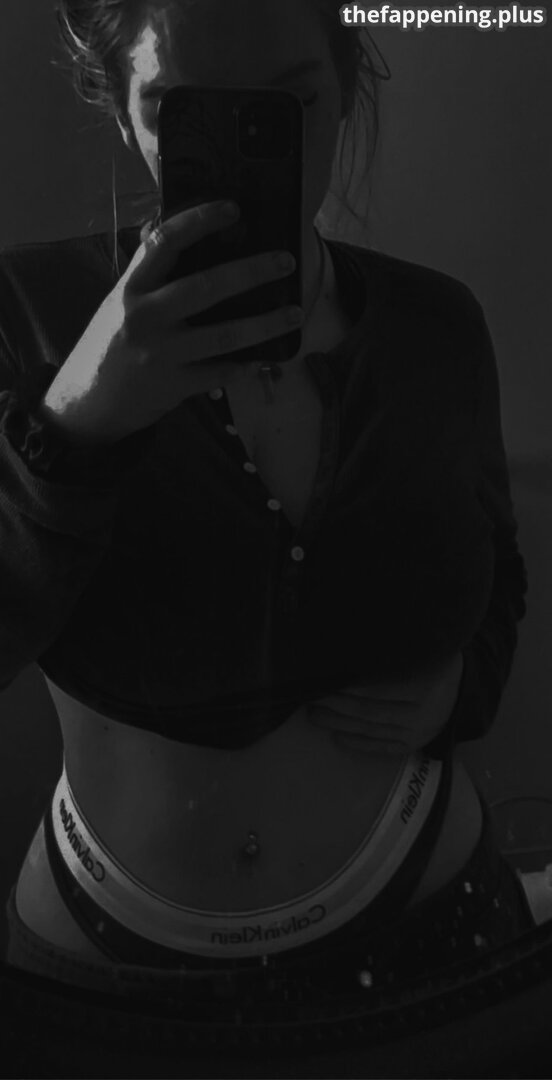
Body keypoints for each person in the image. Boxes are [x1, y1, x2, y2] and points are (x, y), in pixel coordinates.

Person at [1, 0, 534, 1026]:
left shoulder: (435, 326)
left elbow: (497, 573)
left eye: (290, 104)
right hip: (110, 970)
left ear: (348, 86)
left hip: (438, 922)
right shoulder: (23, 313)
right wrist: (77, 421)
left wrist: (460, 687)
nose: (253, 146)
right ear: (118, 103)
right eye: (181, 108)